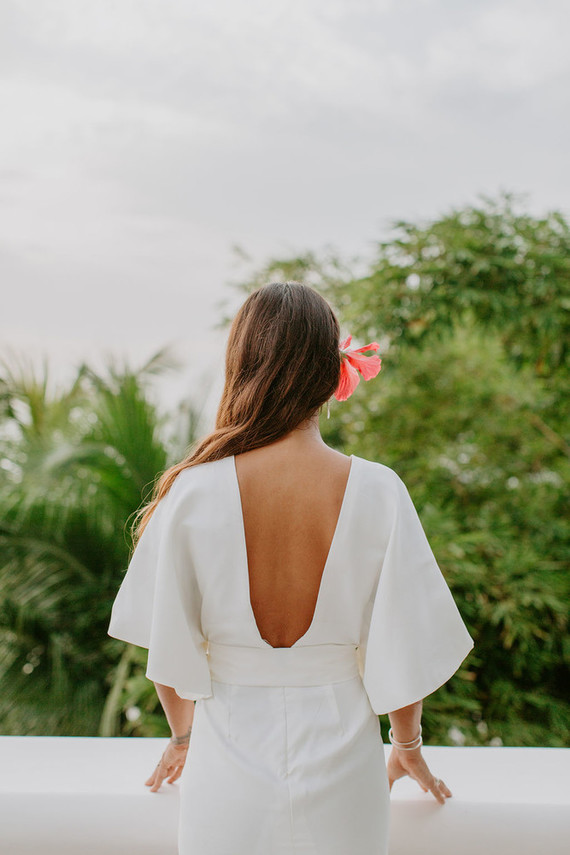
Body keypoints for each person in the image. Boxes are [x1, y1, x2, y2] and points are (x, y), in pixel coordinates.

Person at [107, 281, 474, 855]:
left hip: (225, 769)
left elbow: (167, 647)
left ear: (242, 368)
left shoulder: (193, 491)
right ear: (331, 374)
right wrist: (407, 746)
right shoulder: (378, 490)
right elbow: (403, 644)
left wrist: (182, 738)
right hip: (346, 770)